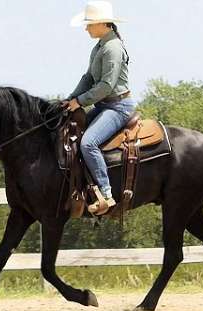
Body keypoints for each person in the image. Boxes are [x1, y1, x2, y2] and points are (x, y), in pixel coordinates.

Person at [63, 1, 136, 215]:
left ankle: (106, 194)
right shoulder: (100, 45)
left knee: (88, 143)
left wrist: (80, 101)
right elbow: (88, 78)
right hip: (105, 105)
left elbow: (106, 86)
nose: (86, 28)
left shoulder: (112, 48)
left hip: (118, 107)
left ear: (102, 24)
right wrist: (70, 99)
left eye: (89, 24)